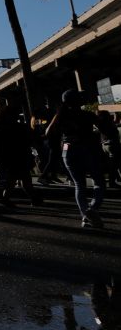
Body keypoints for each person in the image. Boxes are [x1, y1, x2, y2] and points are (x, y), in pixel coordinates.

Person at [46, 89, 105, 228]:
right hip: (86, 149)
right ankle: (91, 209)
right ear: (78, 100)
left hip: (67, 150)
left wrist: (65, 135)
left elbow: (48, 132)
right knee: (98, 181)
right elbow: (104, 128)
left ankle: (85, 216)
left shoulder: (60, 115)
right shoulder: (87, 115)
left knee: (79, 184)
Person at [0, 97, 41, 207]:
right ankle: (30, 198)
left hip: (12, 156)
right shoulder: (14, 126)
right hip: (17, 155)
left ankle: (28, 198)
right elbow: (27, 139)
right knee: (21, 178)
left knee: (16, 178)